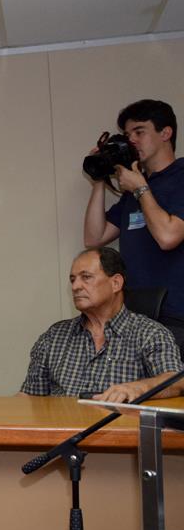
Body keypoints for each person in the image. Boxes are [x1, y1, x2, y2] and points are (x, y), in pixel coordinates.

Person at [19, 247, 182, 402]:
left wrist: (138, 388)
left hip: (120, 422)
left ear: (116, 283)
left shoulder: (150, 333)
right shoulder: (54, 336)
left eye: (86, 277)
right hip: (63, 422)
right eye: (72, 279)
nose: (75, 287)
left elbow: (177, 381)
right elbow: (29, 398)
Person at [84, 99, 184, 347]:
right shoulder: (135, 189)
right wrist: (99, 179)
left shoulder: (179, 177)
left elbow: (168, 237)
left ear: (165, 133)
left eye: (140, 132)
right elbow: (94, 237)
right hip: (136, 316)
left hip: (176, 316)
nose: (132, 141)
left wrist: (140, 188)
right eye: (128, 135)